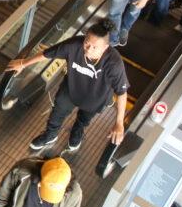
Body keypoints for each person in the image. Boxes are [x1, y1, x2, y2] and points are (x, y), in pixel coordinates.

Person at [9, 19, 128, 152]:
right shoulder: (74, 45)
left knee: (84, 119)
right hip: (71, 88)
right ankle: (50, 135)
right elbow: (48, 53)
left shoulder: (114, 63)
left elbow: (122, 93)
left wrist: (119, 123)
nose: (88, 49)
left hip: (95, 97)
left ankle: (77, 131)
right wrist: (23, 63)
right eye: (87, 43)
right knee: (57, 112)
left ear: (106, 47)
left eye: (95, 47)